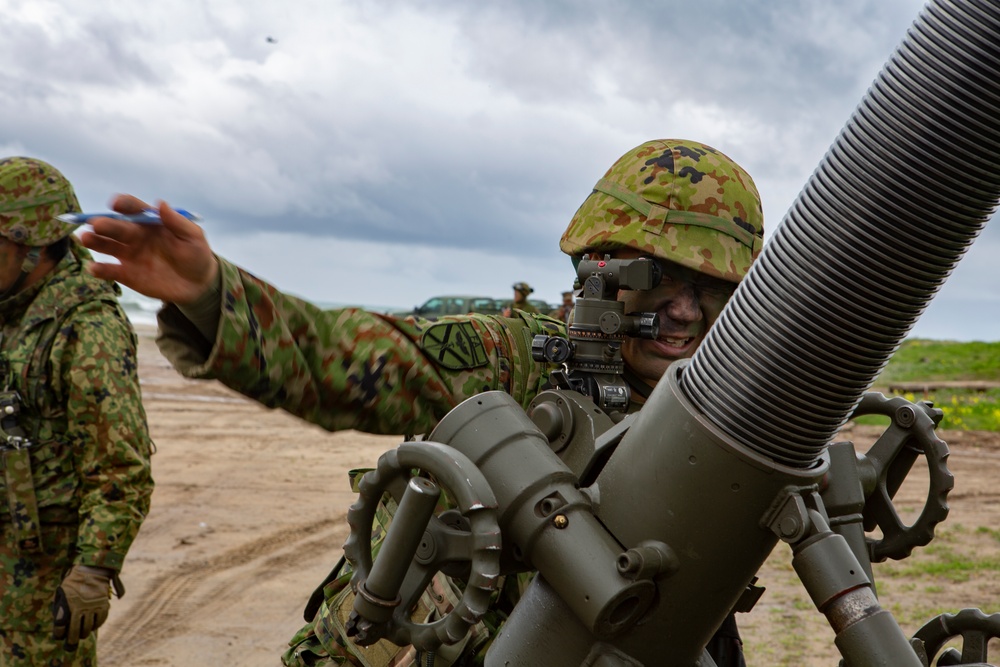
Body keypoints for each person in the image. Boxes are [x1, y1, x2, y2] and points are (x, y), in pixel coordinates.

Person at [79, 138, 763, 666]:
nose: (682, 313)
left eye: (710, 290)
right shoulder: (517, 359)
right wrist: (211, 295)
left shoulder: (728, 411)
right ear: (600, 271)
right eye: (660, 280)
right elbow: (351, 357)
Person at [0, 157, 154, 666]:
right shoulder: (10, 312)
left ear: (35, 247)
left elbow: (119, 467)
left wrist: (94, 571)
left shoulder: (87, 325)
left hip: (40, 589)